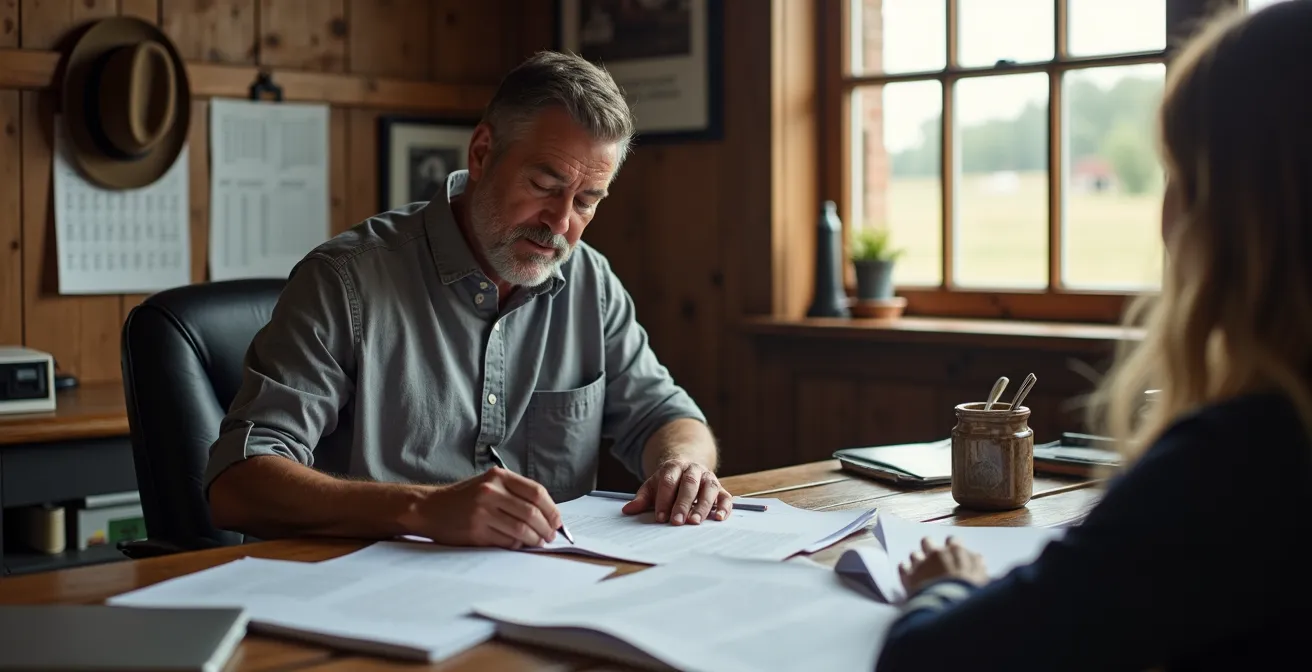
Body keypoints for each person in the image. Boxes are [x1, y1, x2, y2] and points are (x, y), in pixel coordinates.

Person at [876, 3, 1312, 670]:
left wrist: (947, 585)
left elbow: (928, 659)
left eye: (1181, 173)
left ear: (1237, 212)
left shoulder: (1239, 461)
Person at [204, 51, 732, 550]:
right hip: (370, 599)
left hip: (543, 596)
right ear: (482, 153)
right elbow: (239, 483)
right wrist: (421, 509)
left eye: (586, 202)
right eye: (545, 186)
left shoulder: (589, 280)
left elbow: (667, 415)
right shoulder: (346, 281)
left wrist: (683, 465)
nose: (561, 223)